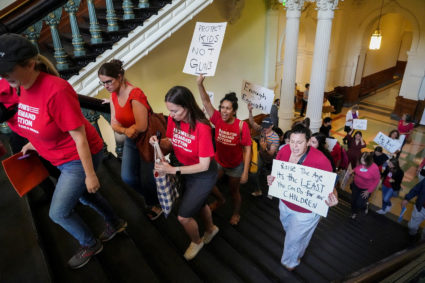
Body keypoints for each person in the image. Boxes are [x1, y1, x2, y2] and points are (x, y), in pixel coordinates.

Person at [0, 34, 126, 269]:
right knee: (85, 196)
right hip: (56, 156)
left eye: (7, 70)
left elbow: (79, 137)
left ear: (29, 64)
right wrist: (35, 143)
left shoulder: (56, 91)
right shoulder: (20, 85)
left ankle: (91, 244)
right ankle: (115, 222)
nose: (3, 76)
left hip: (76, 159)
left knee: (58, 213)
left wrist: (90, 174)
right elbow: (39, 121)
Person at [149, 85, 219, 261]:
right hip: (184, 169)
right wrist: (158, 142)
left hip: (202, 175)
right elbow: (171, 142)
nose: (170, 115)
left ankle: (197, 241)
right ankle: (211, 228)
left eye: (175, 111)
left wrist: (173, 169)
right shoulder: (174, 120)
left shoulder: (202, 128)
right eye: (169, 111)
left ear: (187, 106)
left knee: (183, 217)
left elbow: (204, 165)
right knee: (201, 203)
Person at [267, 124, 338, 271]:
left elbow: (330, 187)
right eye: (292, 141)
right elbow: (276, 173)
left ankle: (290, 263)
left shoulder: (321, 161)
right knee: (291, 231)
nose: (294, 146)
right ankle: (298, 246)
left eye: (299, 142)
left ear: (307, 142)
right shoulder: (284, 150)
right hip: (285, 202)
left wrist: (334, 198)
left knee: (293, 239)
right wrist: (271, 180)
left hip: (306, 210)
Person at [98, 59, 162, 220]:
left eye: (108, 81)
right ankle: (154, 198)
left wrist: (125, 129)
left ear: (119, 77)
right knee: (128, 177)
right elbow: (114, 124)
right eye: (102, 83)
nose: (106, 86)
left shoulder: (135, 94)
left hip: (148, 139)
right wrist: (126, 130)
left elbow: (140, 127)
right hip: (131, 139)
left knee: (148, 179)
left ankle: (157, 203)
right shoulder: (113, 95)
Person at [197, 75, 252, 226]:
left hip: (235, 166)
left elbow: (247, 149)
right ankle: (221, 200)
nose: (224, 111)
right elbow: (206, 101)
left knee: (234, 192)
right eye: (222, 107)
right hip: (219, 162)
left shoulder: (242, 125)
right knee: (208, 184)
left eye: (228, 108)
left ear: (234, 111)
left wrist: (245, 171)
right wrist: (200, 84)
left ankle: (235, 213)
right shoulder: (217, 119)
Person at [248, 105, 280, 197]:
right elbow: (252, 122)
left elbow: (271, 154)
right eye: (264, 126)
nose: (265, 129)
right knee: (253, 173)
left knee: (272, 179)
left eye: (267, 127)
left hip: (271, 159)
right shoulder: (262, 129)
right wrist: (250, 111)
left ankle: (273, 193)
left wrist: (265, 148)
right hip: (261, 156)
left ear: (272, 126)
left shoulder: (275, 137)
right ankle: (258, 190)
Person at [350, 152, 381, 219]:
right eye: (362, 158)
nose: (362, 161)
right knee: (353, 200)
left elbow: (377, 180)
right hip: (356, 185)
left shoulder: (374, 167)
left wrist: (368, 191)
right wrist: (353, 171)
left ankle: (359, 210)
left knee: (359, 203)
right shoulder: (359, 162)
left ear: (369, 160)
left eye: (364, 159)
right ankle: (353, 212)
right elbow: (357, 168)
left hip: (366, 189)